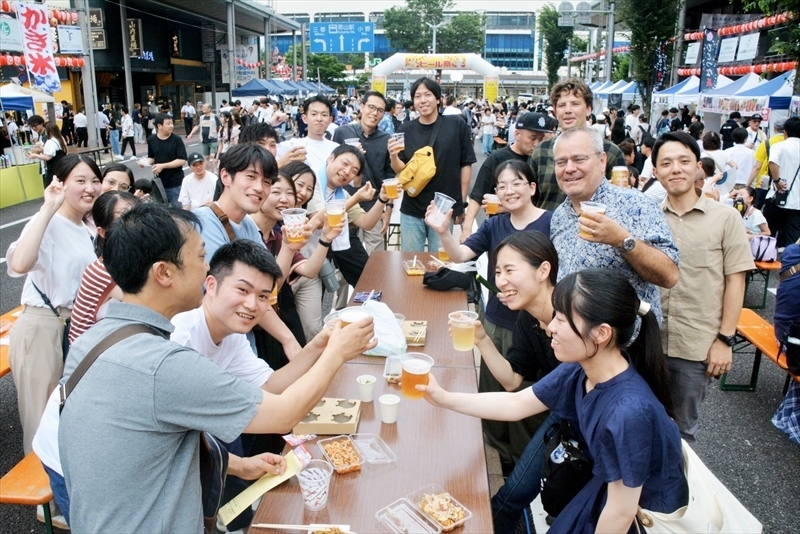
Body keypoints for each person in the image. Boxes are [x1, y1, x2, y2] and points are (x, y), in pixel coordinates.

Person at [58, 203, 376, 533]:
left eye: (263, 296)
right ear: (164, 273)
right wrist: (336, 355)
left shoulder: (95, 338)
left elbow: (156, 431)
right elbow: (282, 414)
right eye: (200, 257)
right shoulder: (167, 360)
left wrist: (319, 346)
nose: (207, 268)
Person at [421, 268, 688, 533]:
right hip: (606, 491)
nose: (550, 328)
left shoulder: (628, 411)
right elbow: (516, 404)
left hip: (642, 514)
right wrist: (443, 398)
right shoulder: (581, 368)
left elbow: (621, 513)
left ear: (601, 333)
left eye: (561, 319)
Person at [428, 160, 552, 465]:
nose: (509, 191)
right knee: (493, 390)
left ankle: (522, 463)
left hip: (538, 327)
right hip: (496, 320)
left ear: (532, 187)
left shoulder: (552, 222)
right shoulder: (495, 224)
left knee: (525, 397)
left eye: (517, 183)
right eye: (501, 186)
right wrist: (444, 233)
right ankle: (492, 459)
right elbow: (460, 255)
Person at [654, 131, 754, 443]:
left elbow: (735, 280)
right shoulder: (648, 216)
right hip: (648, 343)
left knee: (681, 432)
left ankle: (678, 491)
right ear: (655, 171)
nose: (676, 169)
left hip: (694, 346)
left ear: (699, 167)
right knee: (641, 423)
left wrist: (725, 339)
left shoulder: (725, 218)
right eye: (666, 163)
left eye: (684, 161)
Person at [6, 155, 102, 454]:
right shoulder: (49, 221)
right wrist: (48, 206)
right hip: (44, 329)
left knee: (71, 417)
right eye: (81, 181)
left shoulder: (86, 228)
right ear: (60, 183)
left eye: (95, 181)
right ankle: (44, 500)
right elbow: (20, 264)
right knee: (42, 423)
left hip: (76, 328)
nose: (90, 188)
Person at [550, 127, 679, 324]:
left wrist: (622, 241)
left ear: (602, 162)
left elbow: (669, 276)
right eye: (561, 162)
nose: (569, 169)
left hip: (626, 346)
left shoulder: (636, 205)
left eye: (579, 159)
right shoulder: (560, 215)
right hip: (573, 341)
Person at [390, 77, 477, 252]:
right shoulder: (405, 130)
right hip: (412, 208)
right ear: (413, 101)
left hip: (443, 209)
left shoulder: (456, 125)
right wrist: (393, 156)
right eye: (417, 96)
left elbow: (465, 165)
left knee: (439, 264)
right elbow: (401, 170)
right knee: (409, 262)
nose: (422, 100)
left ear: (438, 99)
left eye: (427, 95)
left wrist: (460, 203)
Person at [531, 78, 627, 212]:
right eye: (562, 105)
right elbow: (531, 199)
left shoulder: (610, 152)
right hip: (545, 230)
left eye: (575, 104)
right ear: (555, 111)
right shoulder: (541, 151)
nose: (568, 110)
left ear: (588, 109)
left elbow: (621, 200)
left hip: (593, 228)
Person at [462, 112, 552, 240]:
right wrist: (467, 229)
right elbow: (477, 195)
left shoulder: (544, 160)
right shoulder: (497, 158)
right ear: (517, 134)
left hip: (535, 232)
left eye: (541, 139)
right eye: (532, 138)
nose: (537, 144)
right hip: (502, 231)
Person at [332, 91, 395, 255]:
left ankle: (376, 281)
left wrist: (388, 209)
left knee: (377, 256)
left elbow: (389, 177)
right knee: (344, 255)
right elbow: (330, 166)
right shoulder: (342, 132)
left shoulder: (386, 139)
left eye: (380, 110)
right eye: (371, 107)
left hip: (374, 205)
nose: (374, 113)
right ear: (362, 106)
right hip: (345, 202)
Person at [277, 95, 339, 171]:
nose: (319, 119)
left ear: (330, 120)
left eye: (324, 115)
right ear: (305, 118)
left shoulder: (336, 149)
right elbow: (261, 156)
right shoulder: (292, 146)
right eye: (314, 114)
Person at [765, 117, 800, 247]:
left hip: (778, 199)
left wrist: (777, 180)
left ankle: (763, 264)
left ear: (785, 132)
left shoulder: (779, 146)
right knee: (793, 239)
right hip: (797, 203)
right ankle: (791, 266)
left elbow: (772, 162)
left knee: (768, 233)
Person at [144, 112, 188, 205]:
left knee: (178, 213)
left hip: (176, 183)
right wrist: (144, 162)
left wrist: (162, 166)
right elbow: (152, 157)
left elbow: (182, 160)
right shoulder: (152, 140)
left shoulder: (176, 140)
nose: (171, 126)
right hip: (160, 184)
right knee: (163, 213)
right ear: (159, 126)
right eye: (168, 124)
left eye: (172, 123)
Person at [747, 119, 785, 209]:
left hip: (765, 182)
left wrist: (748, 184)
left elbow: (757, 167)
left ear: (775, 129)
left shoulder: (766, 143)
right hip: (784, 183)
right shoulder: (791, 144)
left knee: (760, 209)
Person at [27, 122, 67, 188]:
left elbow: (48, 157)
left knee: (51, 187)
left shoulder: (50, 141)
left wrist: (35, 155)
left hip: (53, 168)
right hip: (62, 166)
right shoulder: (61, 138)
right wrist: (42, 149)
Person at [187, 103, 221, 168]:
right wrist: (190, 134)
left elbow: (219, 127)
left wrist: (219, 136)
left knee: (213, 155)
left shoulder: (214, 117)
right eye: (203, 107)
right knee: (206, 157)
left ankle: (215, 171)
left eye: (205, 107)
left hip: (213, 139)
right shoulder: (201, 118)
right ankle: (209, 172)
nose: (203, 109)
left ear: (210, 109)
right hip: (204, 140)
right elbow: (197, 126)